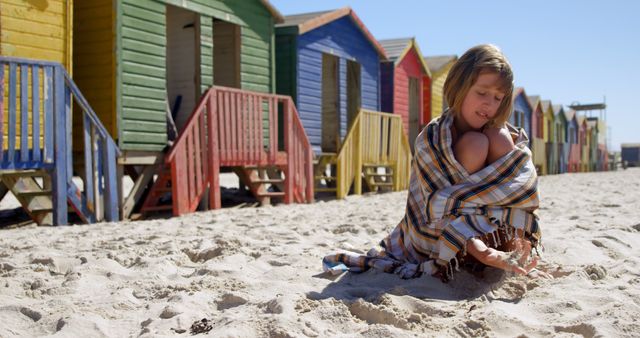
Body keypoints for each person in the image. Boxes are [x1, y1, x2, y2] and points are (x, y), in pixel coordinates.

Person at [323, 44, 543, 282]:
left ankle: (511, 253)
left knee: (497, 138)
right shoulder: (433, 138)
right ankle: (474, 251)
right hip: (440, 240)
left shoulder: (504, 137)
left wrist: (517, 249)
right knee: (475, 143)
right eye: (481, 93)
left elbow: (520, 193)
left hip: (492, 236)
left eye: (498, 98)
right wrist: (484, 253)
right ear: (460, 86)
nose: (489, 104)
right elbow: (435, 210)